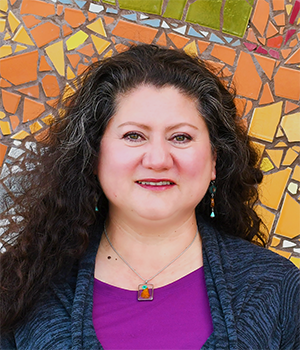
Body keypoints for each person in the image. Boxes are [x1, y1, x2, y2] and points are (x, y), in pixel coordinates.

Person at [0, 44, 299, 350]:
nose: (158, 159)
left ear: (214, 161)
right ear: (93, 155)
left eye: (181, 137)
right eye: (134, 136)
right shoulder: (20, 289)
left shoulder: (277, 289)